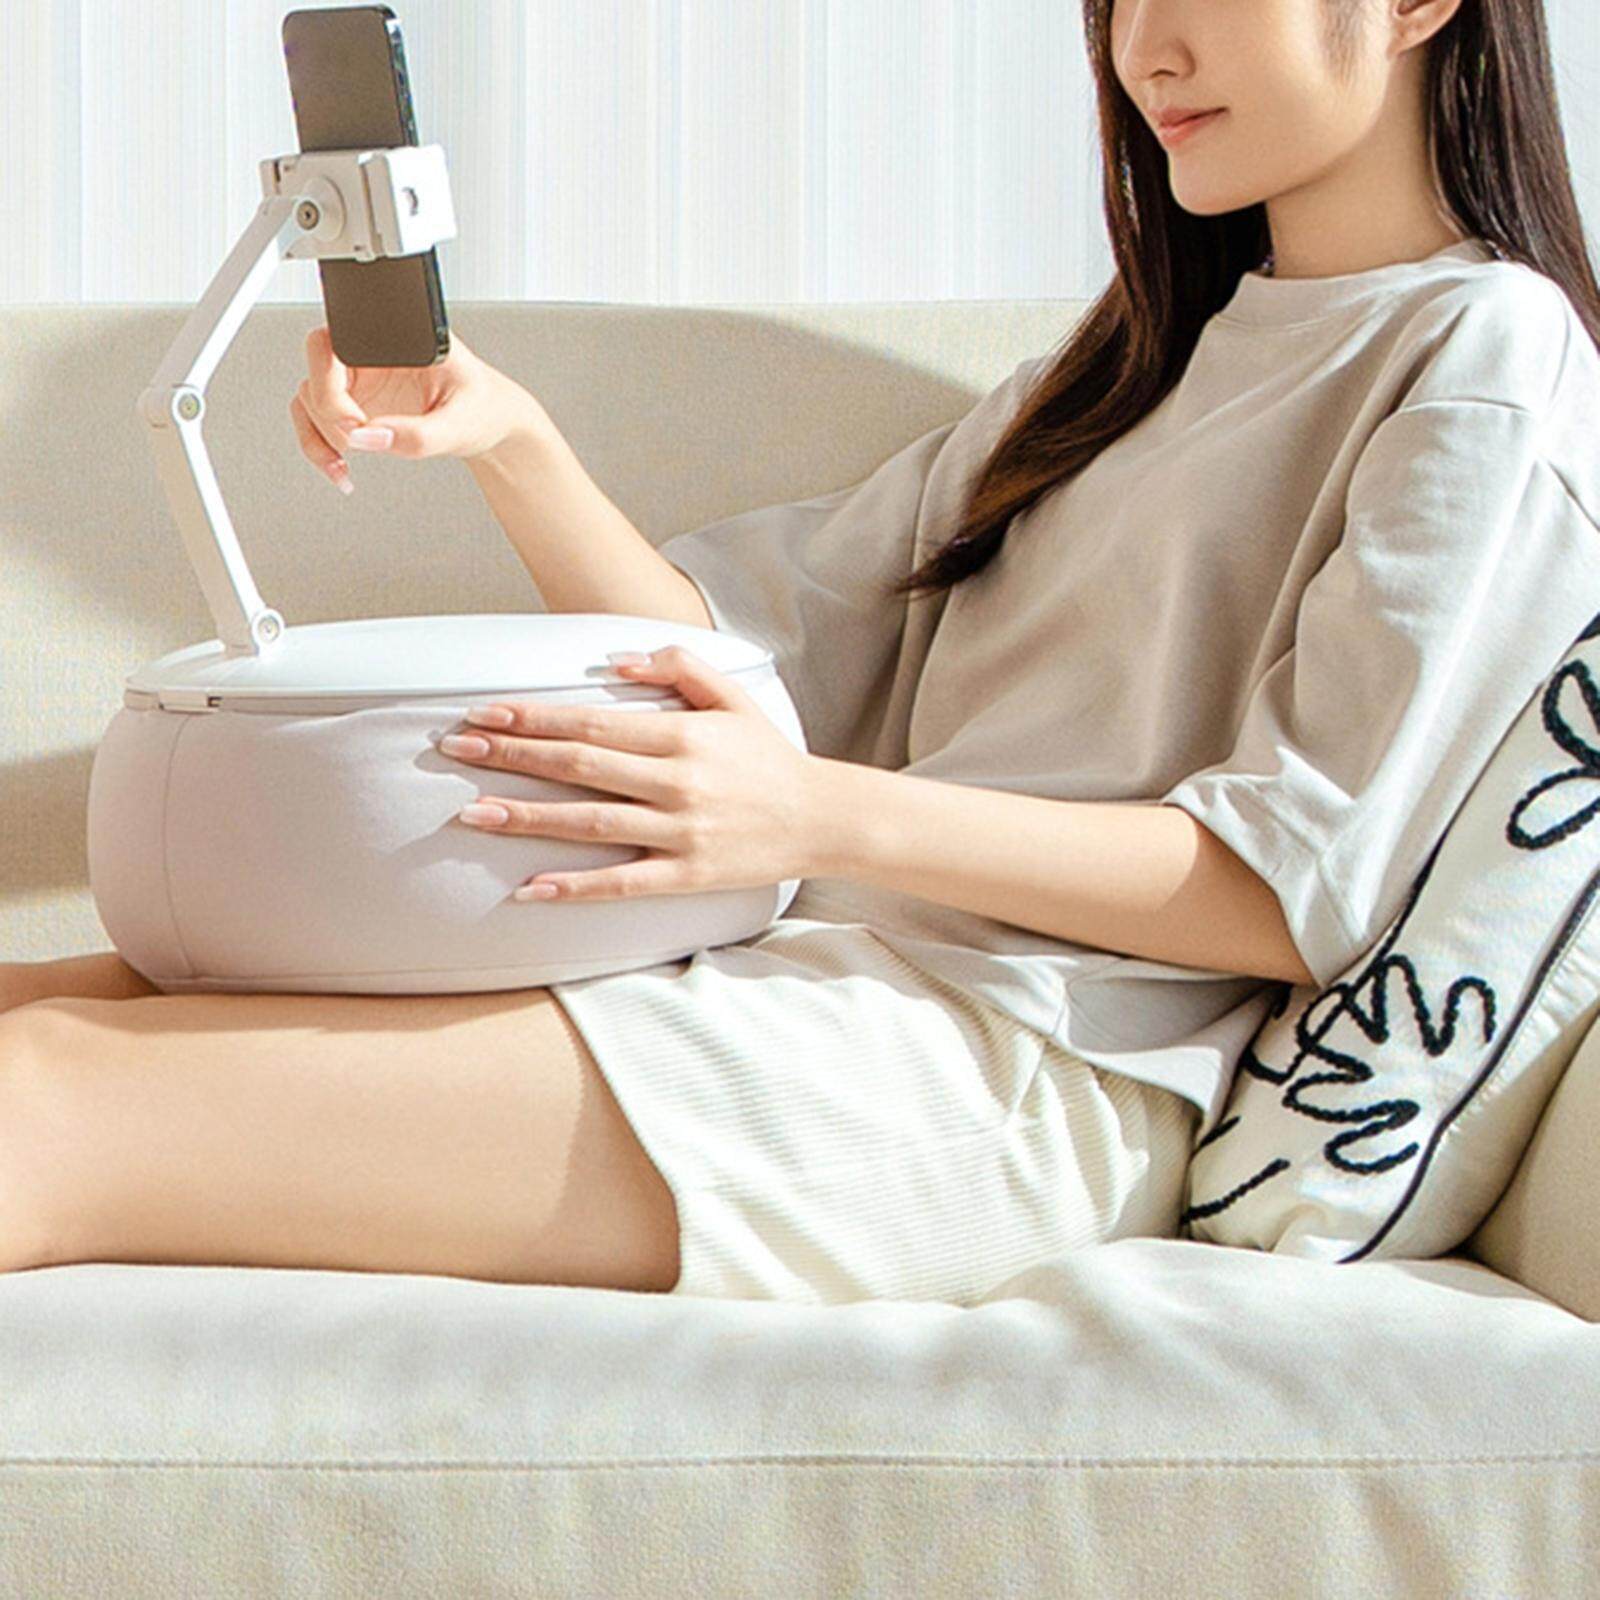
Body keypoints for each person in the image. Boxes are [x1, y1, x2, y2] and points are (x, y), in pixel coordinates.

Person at [5, 0, 1599, 1305]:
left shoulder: (1486, 353)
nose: (1142, 49)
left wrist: (816, 818)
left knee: (59, 1098)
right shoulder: (1134, 361)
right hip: (807, 970)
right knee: (30, 1008)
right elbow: (731, 657)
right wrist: (514, 442)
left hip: (1014, 1070)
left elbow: (1289, 890)